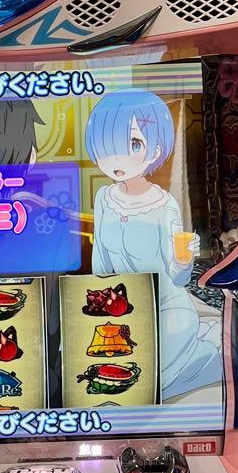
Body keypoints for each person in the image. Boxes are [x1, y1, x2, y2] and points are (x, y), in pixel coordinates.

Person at [86, 89, 222, 400]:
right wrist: (99, 304)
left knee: (155, 382)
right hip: (119, 308)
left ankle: (207, 352)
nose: (117, 159)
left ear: (156, 147)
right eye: (108, 147)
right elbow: (100, 261)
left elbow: (179, 279)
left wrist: (185, 259)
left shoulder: (165, 205)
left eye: (133, 144)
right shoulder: (104, 197)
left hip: (166, 306)